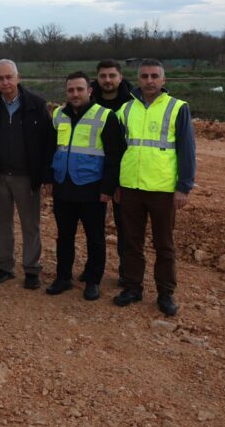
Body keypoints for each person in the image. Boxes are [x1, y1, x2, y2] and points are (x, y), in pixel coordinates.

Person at [113, 59, 196, 317]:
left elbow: (187, 150)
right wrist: (115, 184)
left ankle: (165, 293)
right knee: (132, 242)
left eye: (154, 76)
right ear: (137, 80)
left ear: (163, 80)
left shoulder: (177, 108)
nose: (149, 81)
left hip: (162, 189)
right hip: (130, 188)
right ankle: (133, 287)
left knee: (164, 244)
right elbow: (116, 151)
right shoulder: (125, 110)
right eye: (145, 76)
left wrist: (183, 187)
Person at [45, 71, 124, 301]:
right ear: (66, 92)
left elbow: (114, 155)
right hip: (63, 186)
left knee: (95, 238)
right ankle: (63, 278)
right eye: (71, 90)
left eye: (80, 89)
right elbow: (51, 150)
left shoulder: (105, 116)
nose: (75, 94)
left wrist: (108, 188)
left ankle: (92, 280)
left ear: (89, 91)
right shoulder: (58, 115)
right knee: (64, 236)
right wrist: (48, 178)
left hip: (92, 189)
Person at [0, 59, 55, 290]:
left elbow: (47, 143)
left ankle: (32, 269)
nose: (5, 82)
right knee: (2, 223)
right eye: (0, 78)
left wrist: (45, 176)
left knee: (30, 224)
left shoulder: (36, 104)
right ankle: (5, 266)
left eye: (9, 77)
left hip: (26, 176)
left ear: (18, 77)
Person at [90, 59, 135, 287]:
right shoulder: (87, 99)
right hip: (92, 174)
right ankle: (93, 270)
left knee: (125, 228)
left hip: (124, 174)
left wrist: (117, 180)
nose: (107, 80)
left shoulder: (132, 102)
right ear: (97, 78)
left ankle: (127, 273)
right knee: (94, 227)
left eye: (112, 76)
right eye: (103, 76)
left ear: (120, 77)